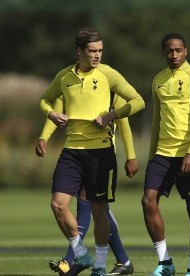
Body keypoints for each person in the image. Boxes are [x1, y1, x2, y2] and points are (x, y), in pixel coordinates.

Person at [39, 27, 145, 276]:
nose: (97, 56)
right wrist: (51, 116)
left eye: (100, 51)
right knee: (58, 205)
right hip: (72, 151)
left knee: (98, 210)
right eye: (92, 51)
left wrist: (111, 115)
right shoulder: (64, 77)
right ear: (79, 52)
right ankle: (80, 255)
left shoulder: (108, 74)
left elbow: (138, 101)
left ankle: (99, 265)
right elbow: (46, 100)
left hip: (101, 153)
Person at [35, 96, 137, 276]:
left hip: (101, 157)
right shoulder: (71, 83)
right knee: (97, 209)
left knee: (91, 206)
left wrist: (131, 156)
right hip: (76, 154)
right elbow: (58, 111)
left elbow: (125, 125)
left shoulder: (113, 89)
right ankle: (122, 261)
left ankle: (70, 260)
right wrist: (44, 137)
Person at [141, 33, 190, 276]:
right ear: (164, 53)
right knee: (148, 201)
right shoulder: (158, 80)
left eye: (178, 50)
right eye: (169, 51)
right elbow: (156, 120)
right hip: (162, 154)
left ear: (186, 51)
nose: (174, 55)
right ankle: (165, 262)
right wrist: (151, 156)